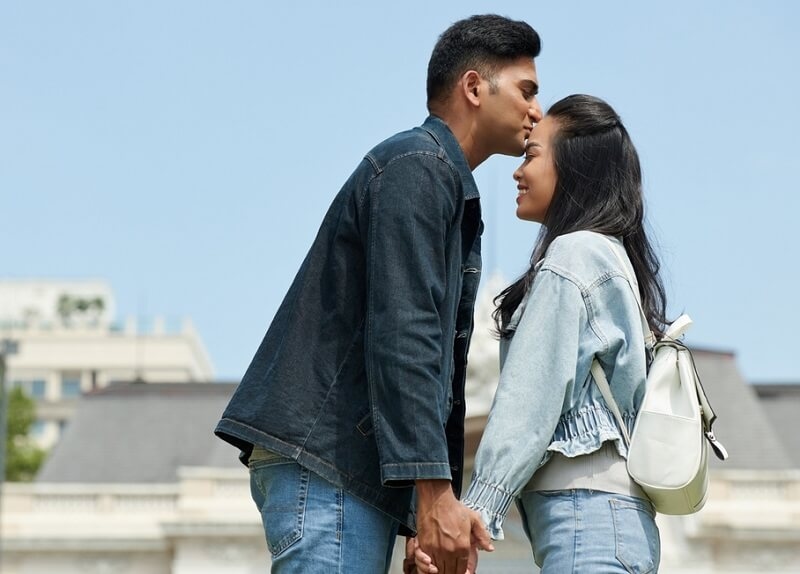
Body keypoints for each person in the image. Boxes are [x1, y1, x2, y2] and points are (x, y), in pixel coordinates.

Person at [214, 15, 543, 574]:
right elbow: (404, 331)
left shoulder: (434, 175)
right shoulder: (419, 167)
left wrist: (421, 513)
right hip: (328, 461)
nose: (536, 111)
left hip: (339, 467)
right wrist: (434, 497)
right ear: (473, 88)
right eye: (526, 91)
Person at [414, 94, 666, 573]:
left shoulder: (573, 256)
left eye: (531, 155)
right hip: (615, 521)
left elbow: (530, 402)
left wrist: (477, 512)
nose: (516, 171)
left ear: (575, 167)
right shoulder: (611, 256)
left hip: (587, 518)